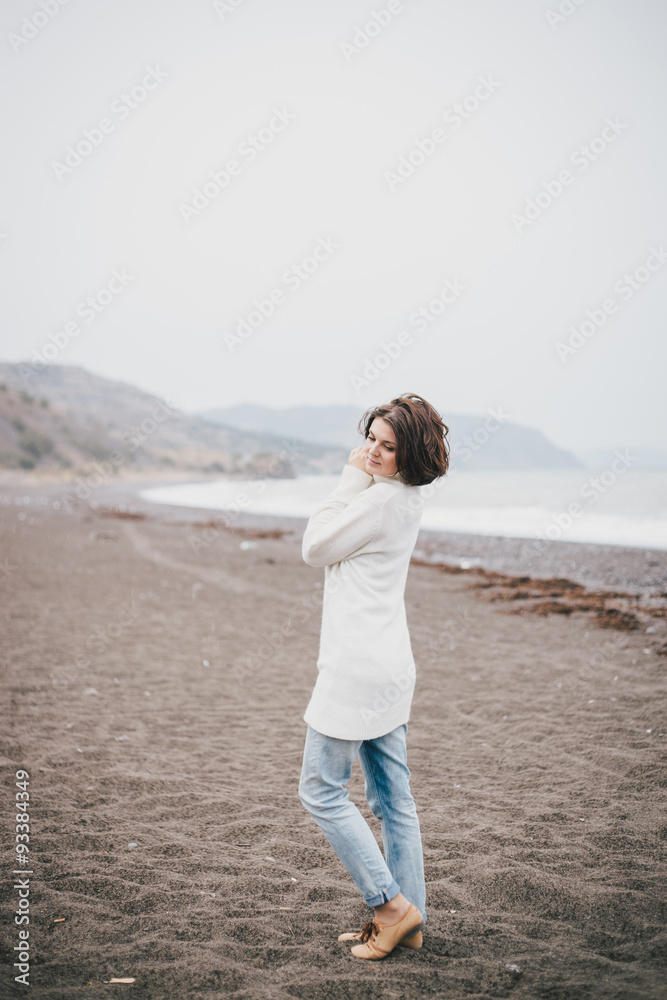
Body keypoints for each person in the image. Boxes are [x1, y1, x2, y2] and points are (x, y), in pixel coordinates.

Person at [298, 392, 450, 960]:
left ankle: (390, 908)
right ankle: (410, 919)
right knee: (392, 801)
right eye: (371, 441)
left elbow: (314, 547)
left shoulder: (377, 502)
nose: (374, 453)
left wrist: (348, 475)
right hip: (390, 666)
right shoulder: (403, 500)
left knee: (319, 790)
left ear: (410, 454)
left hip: (356, 670)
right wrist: (366, 475)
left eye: (388, 446)